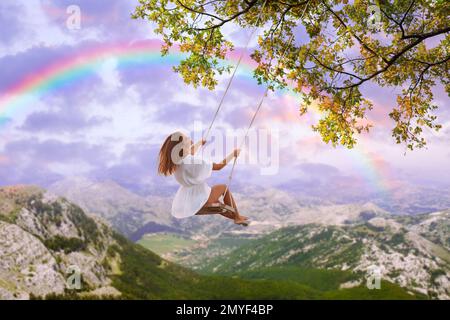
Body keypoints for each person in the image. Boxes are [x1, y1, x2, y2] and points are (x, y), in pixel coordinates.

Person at [158, 131, 249, 226]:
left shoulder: (177, 161)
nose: (189, 138)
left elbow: (190, 153)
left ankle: (237, 218)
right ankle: (237, 217)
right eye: (186, 138)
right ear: (182, 146)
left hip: (188, 202)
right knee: (223, 188)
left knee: (216, 202)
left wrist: (199, 143)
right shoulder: (193, 161)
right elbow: (218, 166)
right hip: (200, 198)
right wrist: (233, 154)